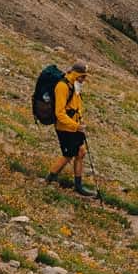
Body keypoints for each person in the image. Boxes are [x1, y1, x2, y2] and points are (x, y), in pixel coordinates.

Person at [44, 60, 92, 194]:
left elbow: (76, 106)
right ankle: (48, 179)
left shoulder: (74, 85)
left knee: (80, 152)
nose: (84, 79)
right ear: (76, 74)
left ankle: (78, 186)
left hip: (75, 126)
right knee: (68, 155)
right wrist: (76, 126)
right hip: (65, 127)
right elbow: (59, 113)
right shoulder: (62, 86)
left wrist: (80, 121)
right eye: (83, 76)